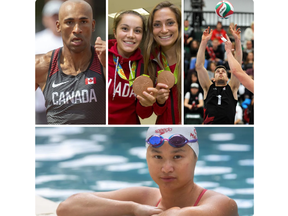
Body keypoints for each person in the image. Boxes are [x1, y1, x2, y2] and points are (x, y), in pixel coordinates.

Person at [56, 127, 239, 216]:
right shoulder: (142, 197)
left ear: (195, 158)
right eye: (158, 157)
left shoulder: (221, 204)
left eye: (177, 157)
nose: (167, 168)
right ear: (147, 159)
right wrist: (133, 209)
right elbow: (67, 207)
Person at [35, 0, 106, 124]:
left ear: (93, 25)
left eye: (83, 22)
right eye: (69, 22)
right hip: (53, 135)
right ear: (58, 26)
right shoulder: (40, 65)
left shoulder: (106, 61)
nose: (77, 29)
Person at [108, 10, 156, 124]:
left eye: (137, 31)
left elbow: (144, 114)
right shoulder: (101, 58)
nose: (131, 35)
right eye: (125, 29)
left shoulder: (145, 67)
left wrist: (146, 104)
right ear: (115, 32)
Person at [143, 1, 182, 124]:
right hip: (163, 133)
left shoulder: (191, 59)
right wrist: (159, 102)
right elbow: (150, 113)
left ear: (179, 26)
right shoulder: (150, 62)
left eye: (170, 23)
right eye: (157, 25)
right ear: (151, 30)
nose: (164, 30)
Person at [195, 25, 242, 124]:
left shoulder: (232, 87)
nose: (220, 72)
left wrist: (237, 41)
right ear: (213, 78)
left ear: (227, 78)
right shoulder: (208, 88)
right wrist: (203, 42)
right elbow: (199, 66)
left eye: (223, 71)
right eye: (217, 71)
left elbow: (237, 66)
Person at [35, 0, 64, 124]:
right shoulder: (35, 42)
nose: (56, 20)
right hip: (43, 107)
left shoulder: (76, 40)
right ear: (45, 19)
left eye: (59, 16)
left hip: (69, 106)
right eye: (53, 17)